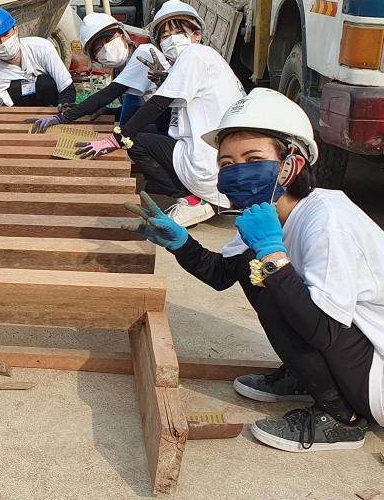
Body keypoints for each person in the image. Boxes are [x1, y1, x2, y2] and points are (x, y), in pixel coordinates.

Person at [127, 88, 383, 452]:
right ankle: (311, 378)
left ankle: (341, 418)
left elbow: (325, 329)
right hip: (357, 355)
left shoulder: (326, 219)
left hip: (377, 376)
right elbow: (220, 274)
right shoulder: (264, 216)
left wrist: (273, 254)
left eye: (253, 158)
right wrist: (180, 242)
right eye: (227, 164)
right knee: (256, 270)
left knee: (272, 276)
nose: (237, 172)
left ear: (290, 165)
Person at [76, 0, 246, 227]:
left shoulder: (194, 54)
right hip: (229, 166)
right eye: (165, 36)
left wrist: (115, 139)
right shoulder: (207, 58)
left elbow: (154, 106)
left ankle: (196, 201)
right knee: (147, 133)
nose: (171, 40)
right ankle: (201, 195)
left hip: (209, 167)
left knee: (134, 141)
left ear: (196, 35)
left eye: (177, 32)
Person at [31, 12, 170, 132]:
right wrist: (111, 112)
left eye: (108, 39)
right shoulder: (119, 70)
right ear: (95, 57)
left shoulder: (143, 54)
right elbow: (138, 108)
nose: (106, 48)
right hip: (156, 119)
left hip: (168, 123)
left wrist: (64, 117)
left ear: (122, 35)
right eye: (98, 47)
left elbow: (110, 94)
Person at [0, 7, 75, 108]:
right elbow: (6, 109)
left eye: (6, 34)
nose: (3, 43)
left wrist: (62, 110)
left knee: (45, 83)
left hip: (51, 101)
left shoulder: (42, 48)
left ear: (16, 30)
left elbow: (67, 89)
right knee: (15, 87)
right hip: (20, 109)